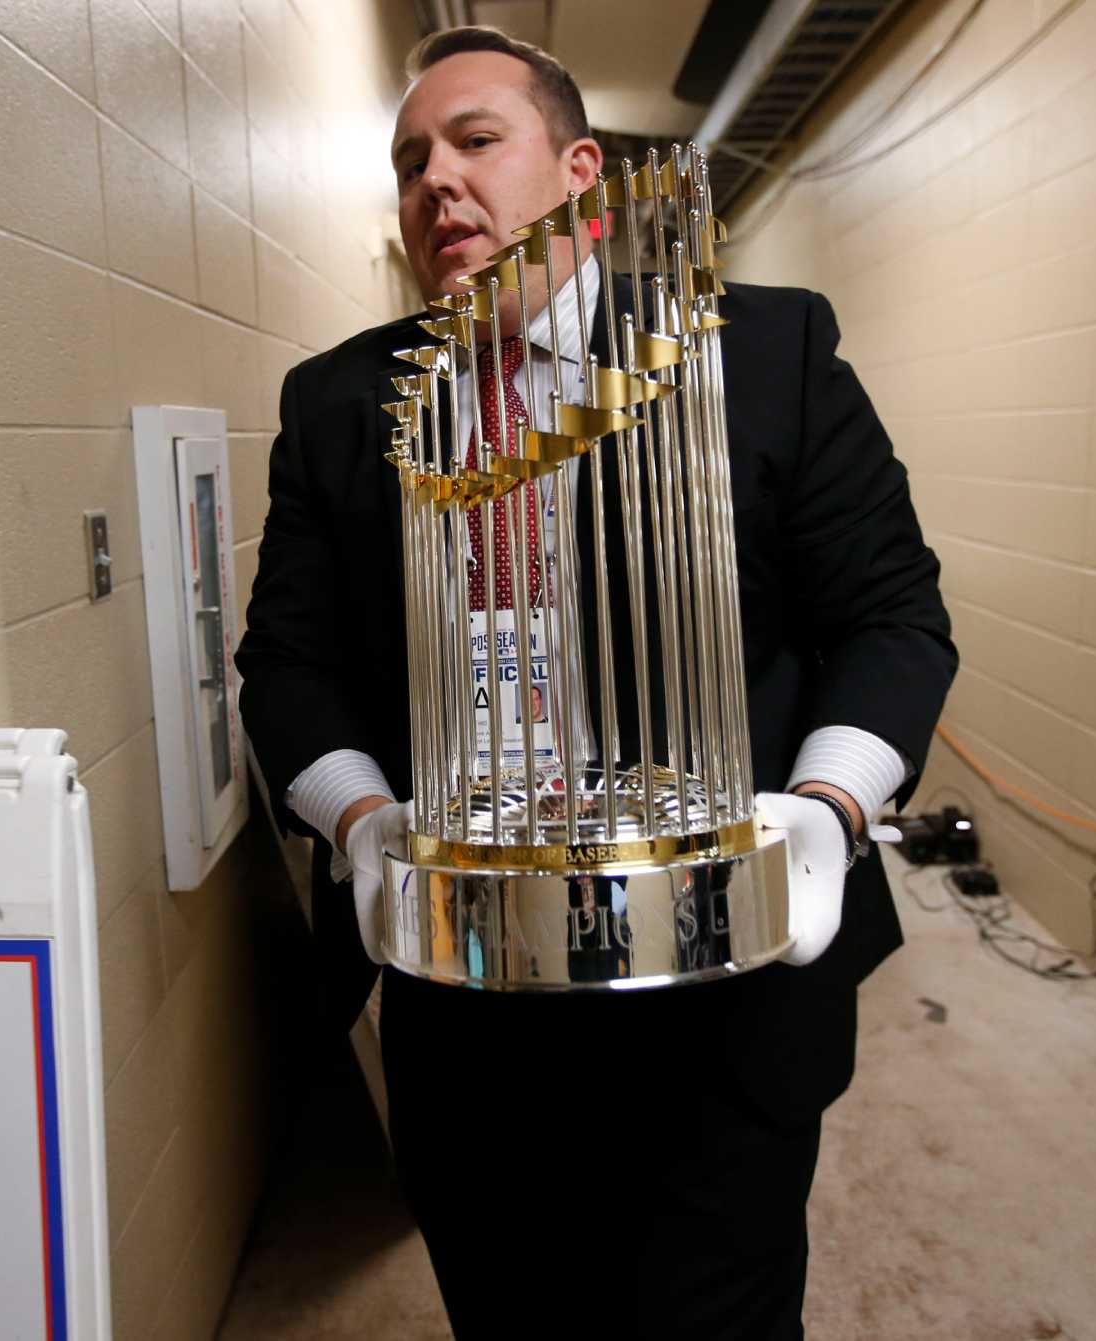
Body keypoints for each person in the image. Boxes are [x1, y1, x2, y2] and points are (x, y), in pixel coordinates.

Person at [236, 25, 955, 1338]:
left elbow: (893, 618)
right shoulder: (342, 401)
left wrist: (824, 809)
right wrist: (365, 821)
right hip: (468, 999)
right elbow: (285, 666)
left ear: (577, 172)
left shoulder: (762, 358)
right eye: (409, 161)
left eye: (474, 140)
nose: (434, 181)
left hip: (720, 987)